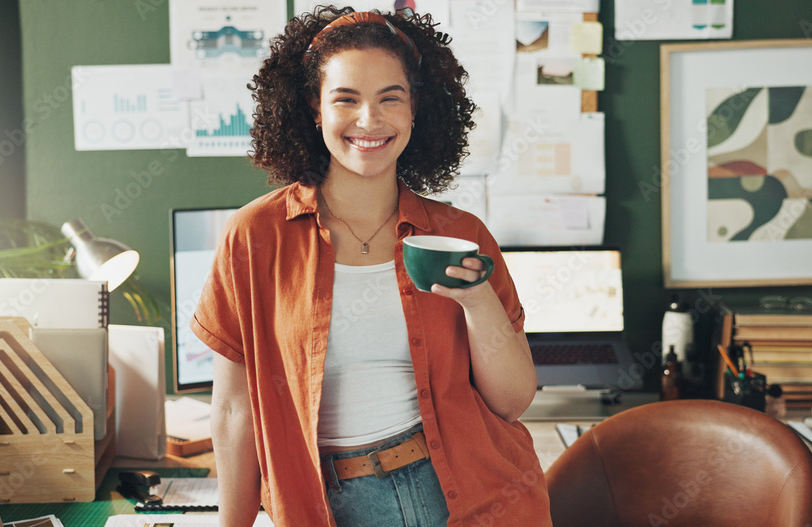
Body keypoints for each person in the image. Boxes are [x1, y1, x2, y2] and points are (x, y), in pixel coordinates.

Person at [191, 6, 552, 526]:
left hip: (466, 495)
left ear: (414, 110)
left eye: (390, 98)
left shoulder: (460, 235)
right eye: (346, 99)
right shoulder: (255, 237)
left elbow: (513, 401)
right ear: (315, 108)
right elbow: (231, 412)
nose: (370, 120)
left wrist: (477, 300)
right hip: (326, 502)